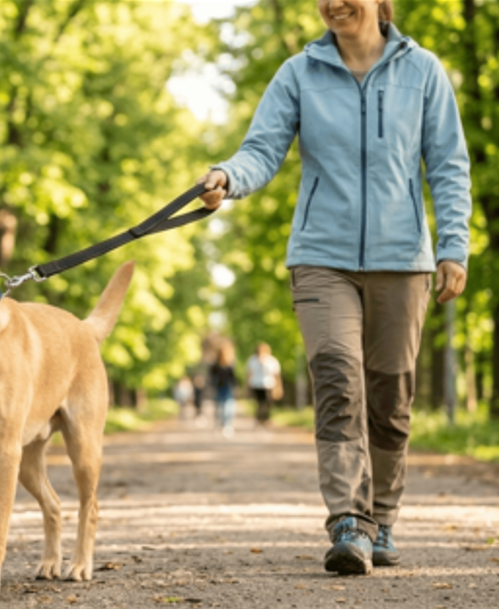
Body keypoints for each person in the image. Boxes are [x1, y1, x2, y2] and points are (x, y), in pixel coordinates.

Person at [196, 0, 471, 576]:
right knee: (337, 381)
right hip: (322, 256)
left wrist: (453, 247)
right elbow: (263, 148)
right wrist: (227, 176)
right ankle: (349, 519)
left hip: (403, 259)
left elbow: (447, 162)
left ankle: (384, 516)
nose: (331, 3)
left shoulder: (422, 70)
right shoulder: (299, 72)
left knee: (391, 399)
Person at [246, 343, 282, 426]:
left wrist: (278, 387)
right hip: (256, 385)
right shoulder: (252, 360)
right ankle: (260, 419)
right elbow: (249, 373)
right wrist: (247, 386)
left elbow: (276, 375)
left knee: (268, 402)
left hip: (269, 385)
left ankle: (266, 419)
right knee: (260, 403)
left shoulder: (271, 360)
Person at [209, 344, 238, 439]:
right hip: (218, 389)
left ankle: (227, 425)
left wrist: (236, 387)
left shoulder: (230, 365)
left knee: (229, 408)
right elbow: (211, 378)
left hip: (228, 388)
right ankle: (220, 425)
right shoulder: (215, 366)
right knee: (220, 408)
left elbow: (233, 378)